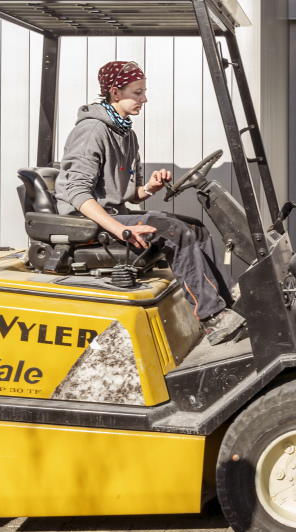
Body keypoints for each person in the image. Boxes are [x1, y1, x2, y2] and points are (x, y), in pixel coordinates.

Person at [55, 60, 243, 345]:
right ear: (115, 93)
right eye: (138, 92)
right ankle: (212, 318)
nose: (145, 98)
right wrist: (120, 230)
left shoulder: (124, 132)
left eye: (144, 92)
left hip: (111, 213)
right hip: (87, 223)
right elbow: (77, 192)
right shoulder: (93, 130)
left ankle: (227, 303)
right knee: (173, 231)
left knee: (196, 227)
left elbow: (122, 192)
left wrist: (148, 188)